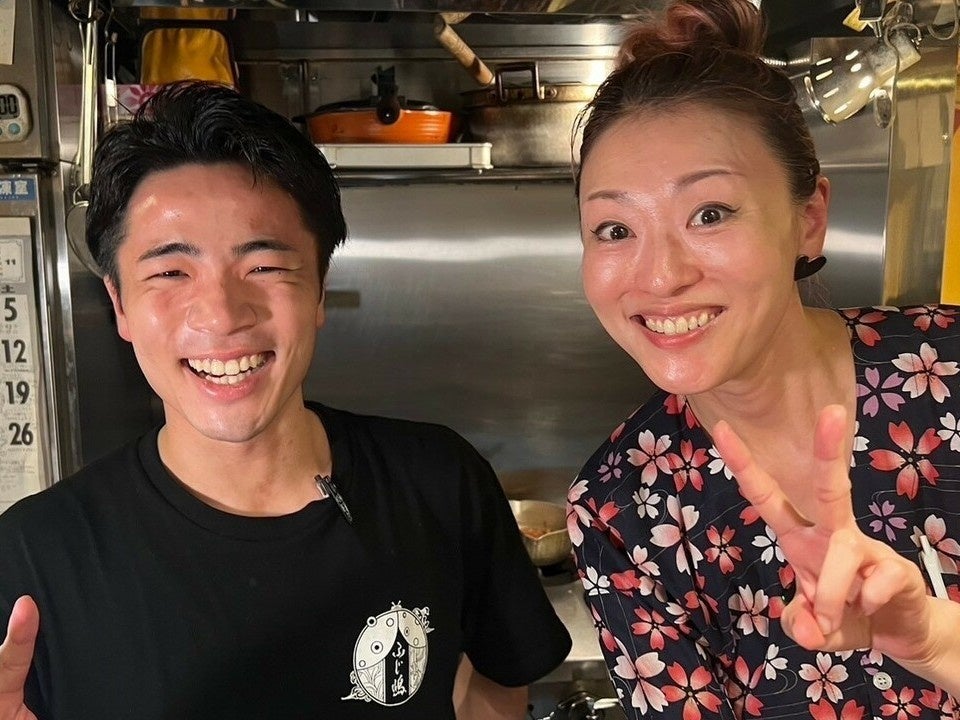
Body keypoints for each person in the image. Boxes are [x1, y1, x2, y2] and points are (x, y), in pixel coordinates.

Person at [0, 81, 571, 720]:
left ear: (319, 290)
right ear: (120, 305)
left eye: (264, 267)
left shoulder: (440, 481)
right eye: (170, 272)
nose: (222, 315)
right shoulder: (35, 556)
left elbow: (497, 684)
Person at [567, 1, 960, 718]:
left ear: (808, 220)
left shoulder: (950, 372)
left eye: (710, 214)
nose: (661, 277)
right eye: (615, 229)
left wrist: (937, 643)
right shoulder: (620, 509)